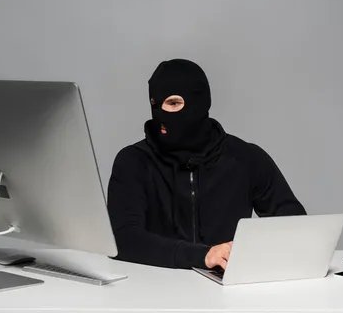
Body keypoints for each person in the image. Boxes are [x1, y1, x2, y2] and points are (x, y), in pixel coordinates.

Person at [107, 59, 306, 270]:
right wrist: (203, 255)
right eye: (155, 104)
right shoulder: (133, 162)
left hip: (227, 292)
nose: (162, 113)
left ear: (199, 102)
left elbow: (295, 227)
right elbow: (123, 239)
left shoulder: (245, 158)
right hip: (156, 289)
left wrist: (248, 253)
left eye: (174, 103)